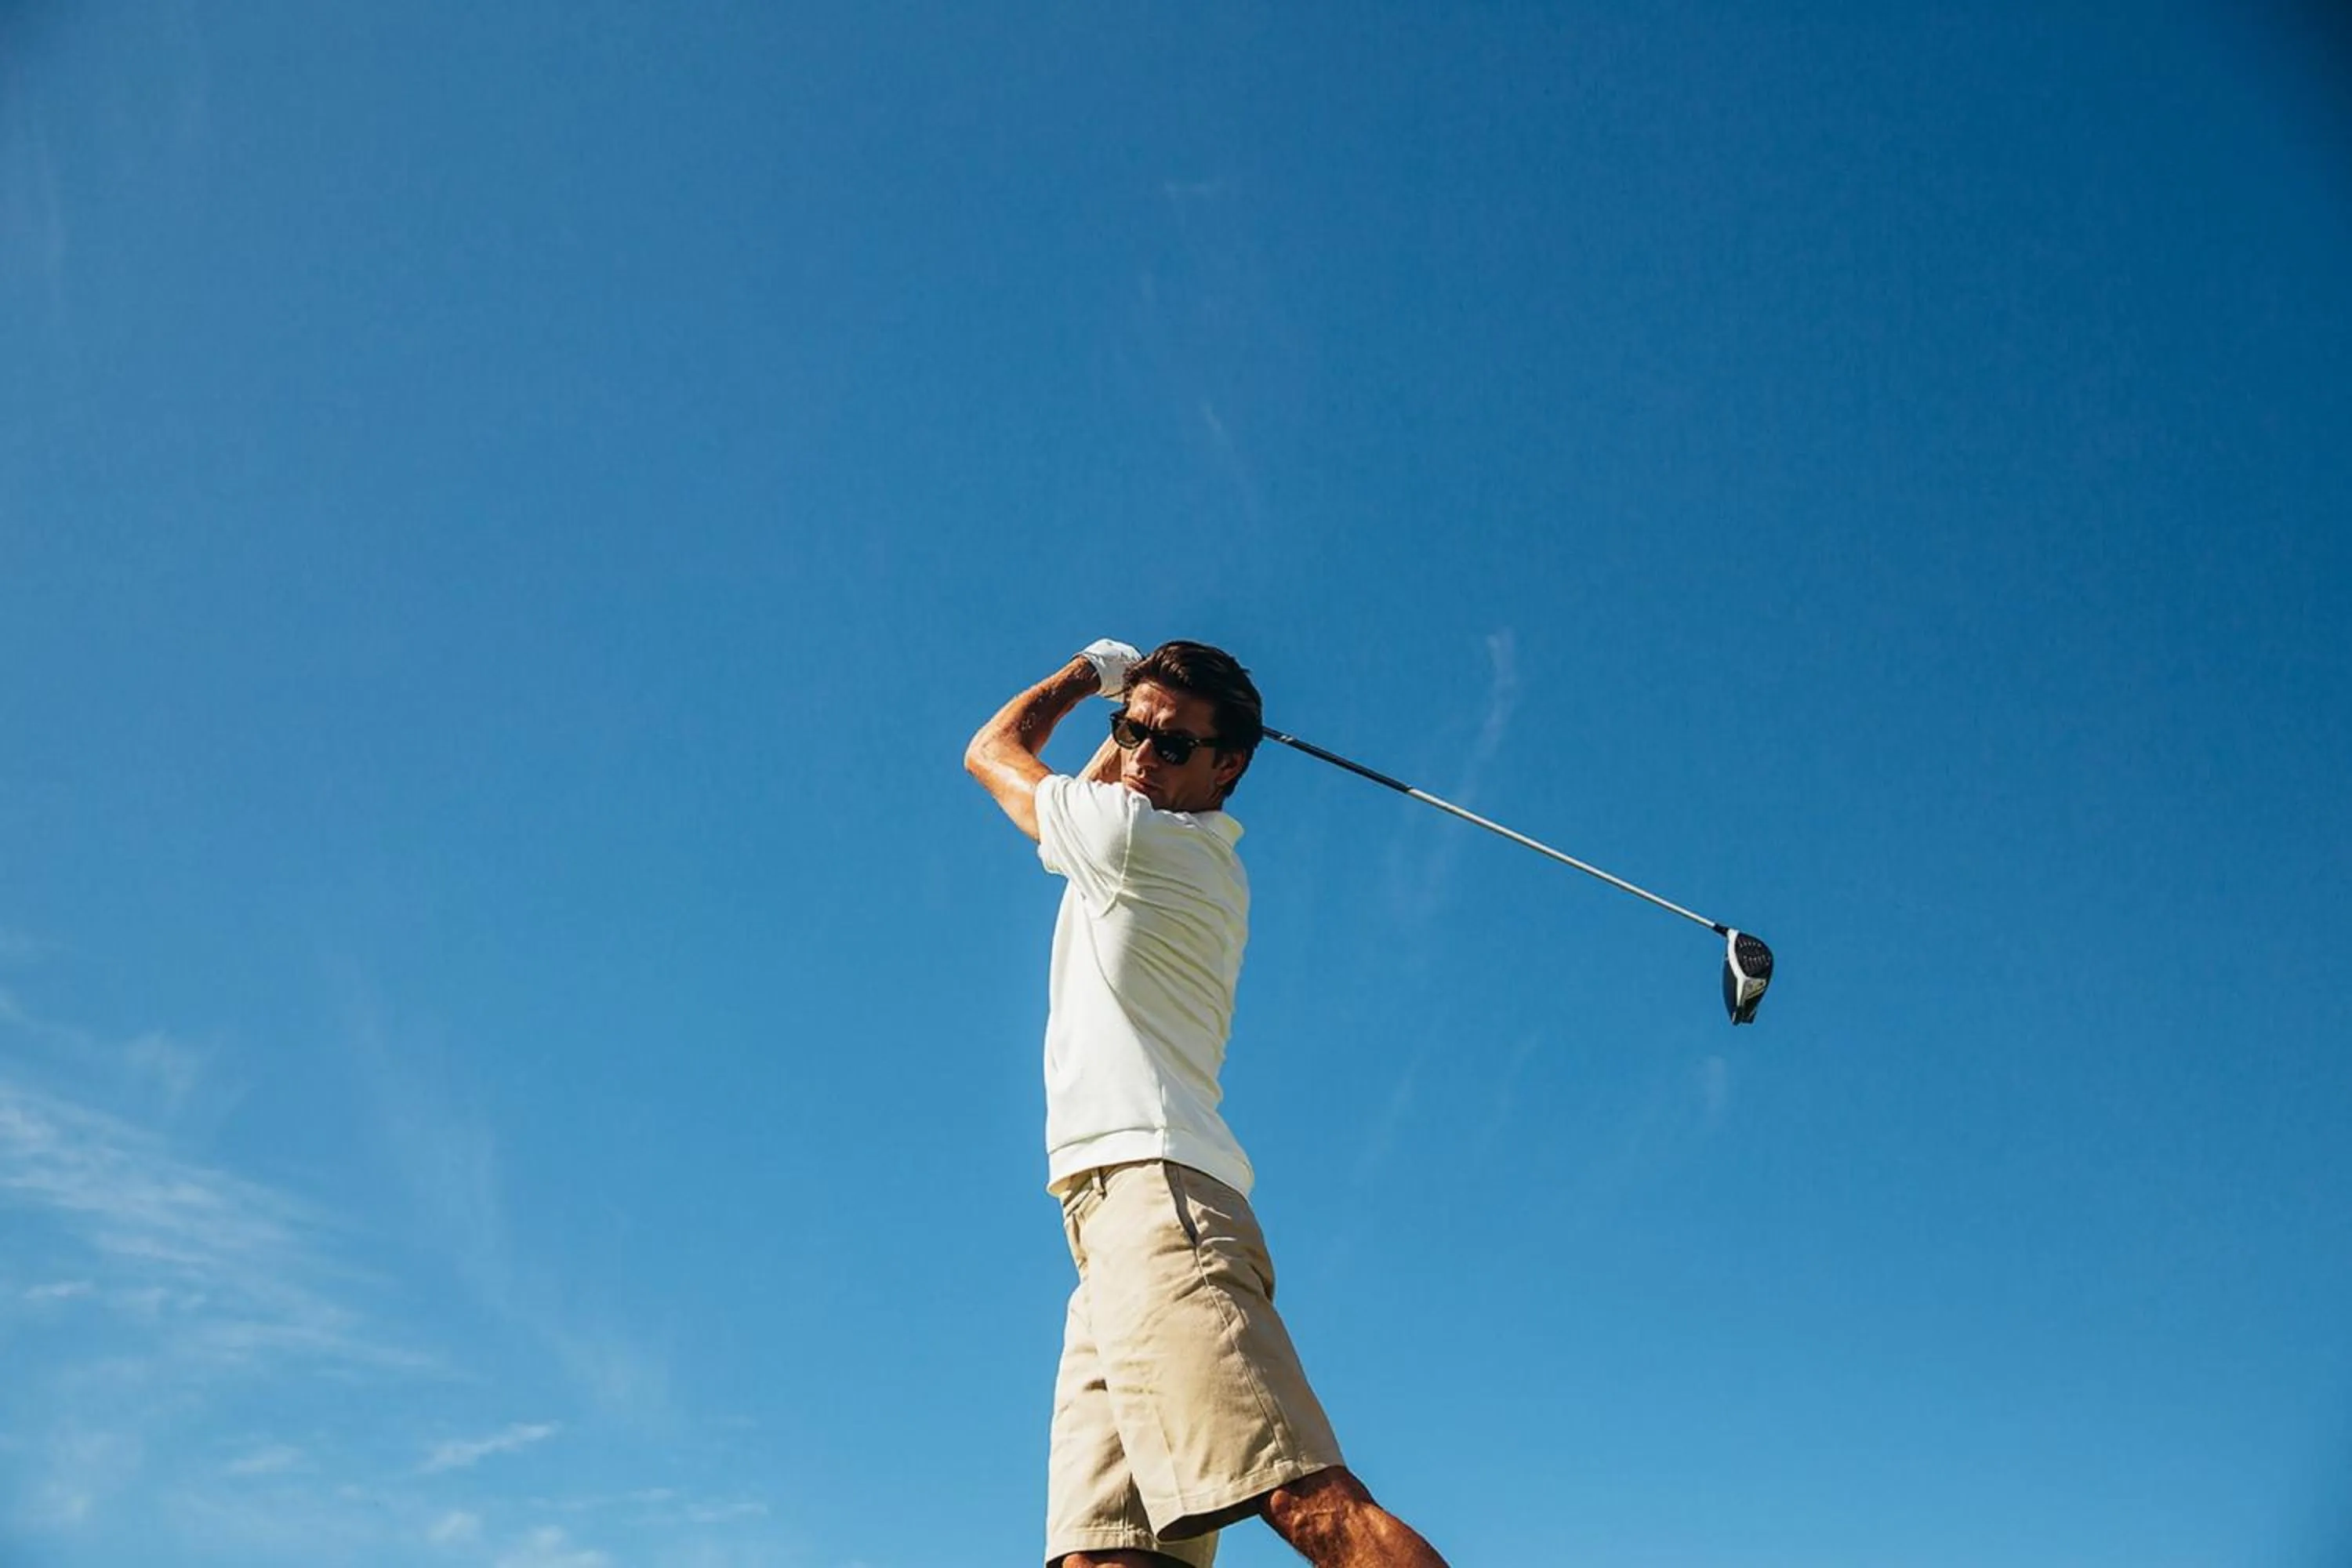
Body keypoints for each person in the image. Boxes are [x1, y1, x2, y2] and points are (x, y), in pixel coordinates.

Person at [965, 639, 1451, 1568]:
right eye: (1133, 734)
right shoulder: (1139, 828)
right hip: (1104, 1227)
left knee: (1311, 1503)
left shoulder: (1138, 843)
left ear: (1231, 764)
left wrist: (1086, 675)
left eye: (1176, 744)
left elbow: (992, 751)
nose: (1144, 756)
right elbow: (1105, 779)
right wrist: (1130, 704)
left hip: (1160, 1202)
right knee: (1105, 1556)